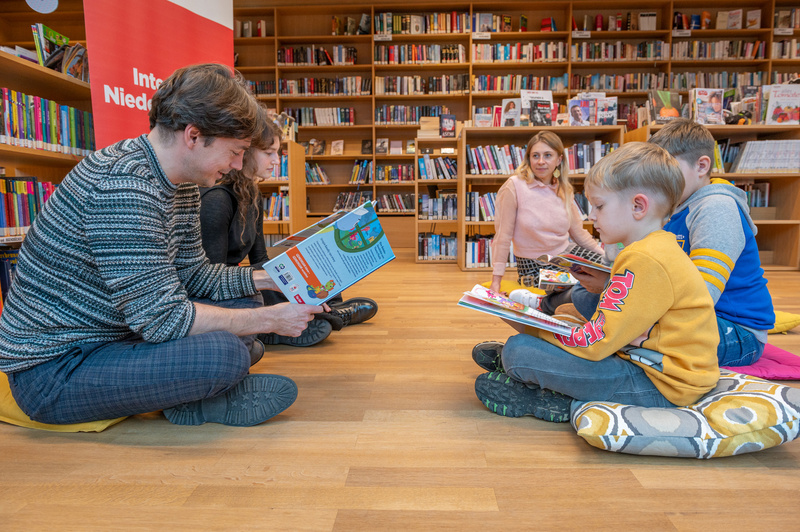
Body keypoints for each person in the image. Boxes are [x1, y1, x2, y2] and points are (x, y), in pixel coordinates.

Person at [0, 63, 321, 427]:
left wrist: (270, 279)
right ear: (194, 136)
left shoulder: (180, 183)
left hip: (118, 333)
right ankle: (197, 394)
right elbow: (163, 319)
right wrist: (268, 319)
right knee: (227, 351)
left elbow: (196, 276)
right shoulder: (123, 189)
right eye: (235, 151)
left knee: (244, 302)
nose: (236, 165)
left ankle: (190, 392)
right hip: (56, 370)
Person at [473, 142, 720, 422]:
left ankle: (531, 379)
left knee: (520, 351)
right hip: (648, 364)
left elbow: (595, 343)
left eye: (599, 206)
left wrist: (532, 328)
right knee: (552, 331)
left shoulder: (644, 259)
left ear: (638, 206)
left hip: (661, 385)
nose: (592, 216)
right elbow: (612, 325)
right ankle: (525, 367)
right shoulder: (654, 248)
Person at [199, 116, 378, 356]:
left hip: (246, 277)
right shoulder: (217, 200)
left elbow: (259, 257)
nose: (276, 161)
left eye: (277, 153)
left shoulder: (251, 191)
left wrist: (295, 277)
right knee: (307, 312)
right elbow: (212, 281)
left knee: (311, 271)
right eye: (269, 153)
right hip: (226, 289)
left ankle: (325, 310)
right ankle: (332, 316)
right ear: (247, 152)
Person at [648, 118, 775, 367]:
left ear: (702, 166)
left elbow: (700, 297)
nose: (658, 182)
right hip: (698, 316)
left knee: (626, 328)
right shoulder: (677, 206)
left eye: (667, 171)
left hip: (737, 332)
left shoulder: (717, 207)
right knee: (601, 304)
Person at [490, 131, 604, 309]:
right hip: (534, 266)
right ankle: (543, 303)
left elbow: (579, 234)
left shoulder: (564, 189)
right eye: (535, 156)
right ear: (529, 159)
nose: (541, 161)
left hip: (566, 254)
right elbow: (502, 237)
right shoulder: (514, 186)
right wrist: (496, 282)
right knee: (585, 287)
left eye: (547, 155)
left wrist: (604, 257)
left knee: (610, 275)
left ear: (559, 160)